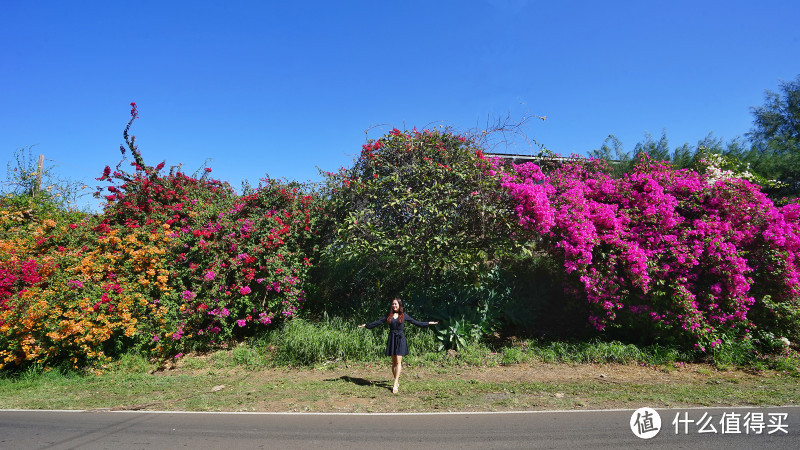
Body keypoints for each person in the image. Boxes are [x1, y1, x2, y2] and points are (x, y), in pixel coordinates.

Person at [359, 298, 438, 394]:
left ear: (399, 305)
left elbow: (416, 322)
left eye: (396, 304)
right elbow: (378, 322)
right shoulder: (389, 315)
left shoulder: (404, 315)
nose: (394, 306)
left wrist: (428, 323)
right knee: (393, 362)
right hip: (392, 338)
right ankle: (396, 379)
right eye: (393, 304)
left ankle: (395, 383)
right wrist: (366, 325)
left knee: (398, 362)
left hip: (400, 339)